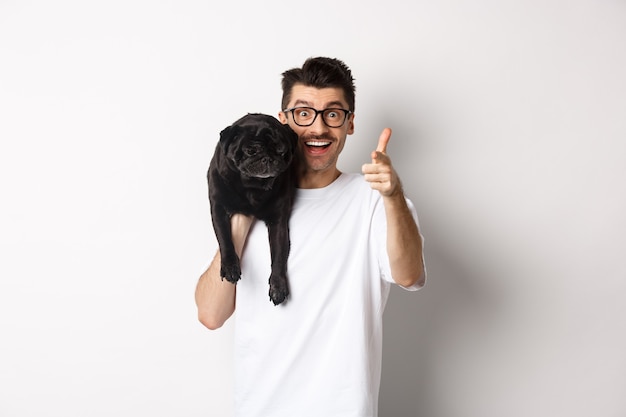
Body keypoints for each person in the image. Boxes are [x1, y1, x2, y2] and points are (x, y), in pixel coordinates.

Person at [195, 56, 426, 417]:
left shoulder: (374, 201)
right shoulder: (249, 198)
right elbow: (210, 314)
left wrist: (393, 196)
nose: (318, 128)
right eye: (304, 113)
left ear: (350, 124)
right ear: (283, 120)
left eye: (333, 114)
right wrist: (240, 220)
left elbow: (409, 275)